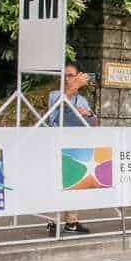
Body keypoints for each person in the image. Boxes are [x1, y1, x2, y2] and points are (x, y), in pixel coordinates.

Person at [46, 63, 98, 235]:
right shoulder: (55, 95)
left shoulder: (82, 99)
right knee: (56, 185)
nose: (68, 79)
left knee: (74, 184)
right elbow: (58, 107)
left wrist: (88, 114)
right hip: (56, 144)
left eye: (72, 75)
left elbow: (94, 122)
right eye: (66, 76)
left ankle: (71, 223)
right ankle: (53, 222)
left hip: (76, 144)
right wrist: (74, 86)